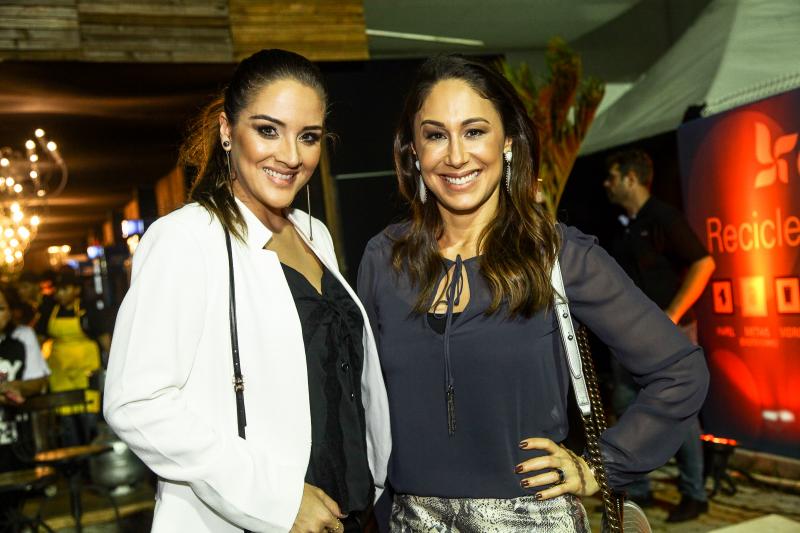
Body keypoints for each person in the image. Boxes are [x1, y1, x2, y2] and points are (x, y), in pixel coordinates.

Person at [357, 55, 709, 532]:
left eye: (475, 131)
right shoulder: (384, 260)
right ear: (413, 151)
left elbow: (680, 371)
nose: (456, 155)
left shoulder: (559, 256)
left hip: (531, 520)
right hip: (410, 522)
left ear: (508, 142)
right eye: (436, 135)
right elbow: (364, 405)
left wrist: (598, 466)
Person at [103, 49, 391, 533]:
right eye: (268, 130)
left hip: (351, 513)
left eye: (308, 136)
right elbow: (136, 402)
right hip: (260, 520)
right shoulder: (186, 239)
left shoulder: (314, 233)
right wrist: (277, 499)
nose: (291, 156)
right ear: (226, 130)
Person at [604, 148, 716, 522]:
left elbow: (704, 263)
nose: (607, 184)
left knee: (678, 409)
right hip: (629, 335)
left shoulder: (663, 217)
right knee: (627, 405)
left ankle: (694, 493)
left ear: (630, 179)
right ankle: (638, 490)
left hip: (668, 334)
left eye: (612, 177)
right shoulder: (623, 224)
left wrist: (672, 314)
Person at [37, 268, 110, 446]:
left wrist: (111, 365)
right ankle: (73, 457)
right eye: (58, 290)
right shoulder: (49, 311)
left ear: (76, 289)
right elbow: (38, 339)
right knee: (66, 420)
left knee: (89, 416)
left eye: (65, 289)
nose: (60, 294)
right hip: (60, 373)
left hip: (87, 372)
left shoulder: (88, 310)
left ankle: (92, 452)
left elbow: (104, 339)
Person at [0, 285, 49, 472]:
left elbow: (38, 381)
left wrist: (15, 387)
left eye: (1, 309)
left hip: (16, 435)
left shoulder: (23, 336)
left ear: (11, 312)